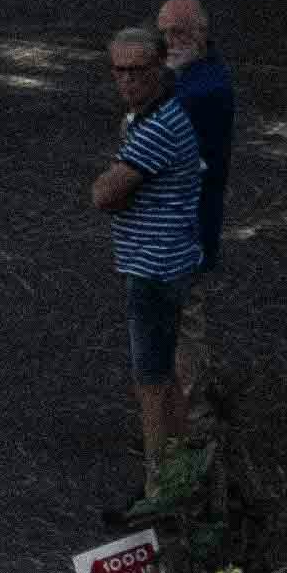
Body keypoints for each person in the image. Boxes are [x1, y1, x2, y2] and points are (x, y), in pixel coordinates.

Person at [90, 26, 206, 486]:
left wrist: (111, 187)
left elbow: (104, 194)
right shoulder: (152, 118)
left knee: (151, 381)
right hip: (166, 261)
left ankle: (162, 481)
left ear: (158, 68)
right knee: (168, 376)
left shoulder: (156, 128)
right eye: (118, 71)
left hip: (154, 268)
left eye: (136, 71)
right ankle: (179, 467)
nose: (126, 81)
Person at [157, 0, 235, 397]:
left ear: (202, 33)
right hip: (192, 223)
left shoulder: (195, 93)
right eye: (165, 33)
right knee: (185, 320)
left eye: (180, 32)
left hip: (184, 229)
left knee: (183, 323)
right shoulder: (205, 77)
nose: (171, 41)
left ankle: (191, 420)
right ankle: (201, 392)